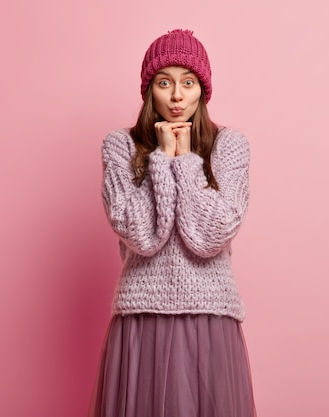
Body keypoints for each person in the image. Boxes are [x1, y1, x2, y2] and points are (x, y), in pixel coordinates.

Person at [88, 29, 257, 417]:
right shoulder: (120, 145)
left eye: (188, 82)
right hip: (142, 315)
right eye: (165, 83)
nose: (177, 96)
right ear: (150, 90)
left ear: (202, 90)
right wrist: (161, 160)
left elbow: (211, 236)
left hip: (210, 314)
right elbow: (142, 235)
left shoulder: (229, 145)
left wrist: (185, 161)